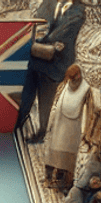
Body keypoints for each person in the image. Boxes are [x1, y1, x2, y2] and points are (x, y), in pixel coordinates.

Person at [17, 0, 85, 143]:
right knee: (26, 96)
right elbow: (38, 24)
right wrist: (46, 43)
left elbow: (64, 33)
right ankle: (17, 125)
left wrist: (41, 42)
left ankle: (41, 133)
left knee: (45, 101)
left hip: (56, 64)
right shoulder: (48, 3)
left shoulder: (79, 11)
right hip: (36, 58)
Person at [43, 65, 96, 190]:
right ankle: (49, 178)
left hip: (72, 130)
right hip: (58, 125)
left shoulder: (86, 89)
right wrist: (51, 122)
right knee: (52, 155)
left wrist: (86, 132)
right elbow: (56, 101)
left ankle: (65, 182)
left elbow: (89, 111)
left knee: (66, 160)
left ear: (78, 76)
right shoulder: (64, 84)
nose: (70, 81)